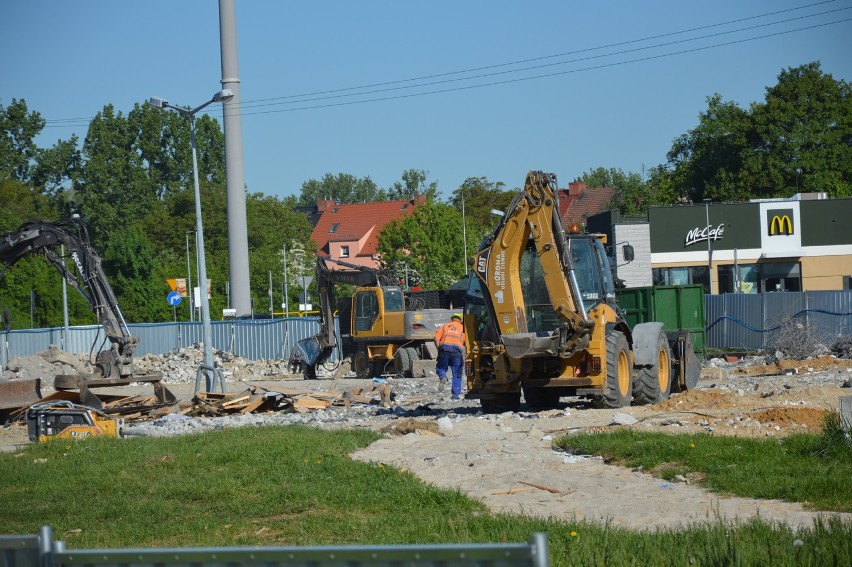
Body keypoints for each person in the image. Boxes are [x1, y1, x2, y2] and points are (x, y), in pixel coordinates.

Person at [434, 313, 467, 400]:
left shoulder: (445, 325)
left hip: (445, 350)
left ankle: (443, 376)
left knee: (441, 367)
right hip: (457, 352)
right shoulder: (463, 328)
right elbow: (466, 342)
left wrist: (439, 349)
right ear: (460, 320)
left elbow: (436, 338)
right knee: (457, 374)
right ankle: (455, 396)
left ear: (451, 319)